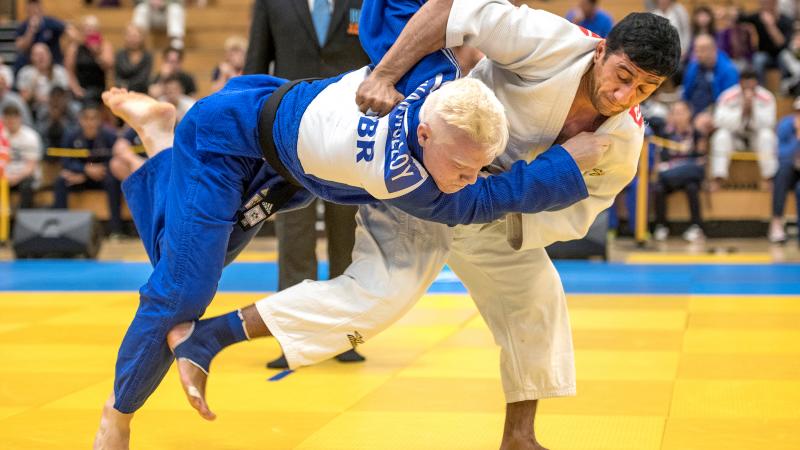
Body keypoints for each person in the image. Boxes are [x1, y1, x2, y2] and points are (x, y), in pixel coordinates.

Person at [151, 2, 680, 450]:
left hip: (501, 212)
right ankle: (211, 336)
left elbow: (581, 206)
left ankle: (519, 437)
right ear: (603, 52)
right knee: (379, 300)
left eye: (645, 89)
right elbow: (449, 10)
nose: (625, 95)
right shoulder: (555, 43)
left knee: (537, 298)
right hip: (424, 168)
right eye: (623, 76)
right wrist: (383, 75)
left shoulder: (623, 144)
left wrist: (513, 213)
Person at [243, 0, 374, 367]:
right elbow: (255, 64)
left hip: (350, 129)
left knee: (346, 235)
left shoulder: (362, 3)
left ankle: (341, 336)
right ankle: (293, 338)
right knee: (293, 236)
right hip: (287, 130)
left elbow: (378, 58)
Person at [52, 102, 123, 236]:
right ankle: (60, 228)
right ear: (80, 120)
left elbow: (117, 159)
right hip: (79, 177)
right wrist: (85, 170)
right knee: (61, 181)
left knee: (113, 181)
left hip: (102, 177)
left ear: (99, 120)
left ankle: (115, 229)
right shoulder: (70, 136)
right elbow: (66, 161)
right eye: (86, 118)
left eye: (93, 118)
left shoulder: (109, 135)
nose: (90, 122)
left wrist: (97, 170)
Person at [710, 69, 778, 190]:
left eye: (752, 85)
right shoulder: (727, 96)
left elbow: (769, 122)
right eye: (746, 85)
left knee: (767, 135)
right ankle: (718, 178)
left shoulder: (767, 97)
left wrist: (752, 110)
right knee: (721, 136)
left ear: (756, 83)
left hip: (755, 137)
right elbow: (719, 121)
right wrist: (742, 112)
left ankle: (769, 179)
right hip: (735, 137)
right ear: (740, 82)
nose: (749, 88)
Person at [651, 101, 707, 242]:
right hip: (670, 177)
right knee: (659, 187)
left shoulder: (696, 134)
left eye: (682, 112)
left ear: (689, 114)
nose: (678, 116)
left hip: (687, 177)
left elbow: (700, 160)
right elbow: (660, 160)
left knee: (692, 187)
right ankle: (661, 225)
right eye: (675, 112)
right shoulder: (665, 134)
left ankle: (696, 226)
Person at [682, 33, 740, 117]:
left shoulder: (729, 71)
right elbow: (685, 94)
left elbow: (728, 103)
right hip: (692, 110)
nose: (698, 54)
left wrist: (709, 114)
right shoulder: (693, 67)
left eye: (702, 50)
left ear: (713, 49)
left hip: (715, 113)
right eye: (696, 50)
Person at [739, 0, 793, 84]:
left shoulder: (786, 20)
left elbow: (782, 44)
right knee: (758, 59)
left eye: (768, 2)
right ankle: (759, 87)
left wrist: (770, 26)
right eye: (763, 2)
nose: (765, 4)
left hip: (780, 54)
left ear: (775, 3)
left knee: (785, 57)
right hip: (764, 53)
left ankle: (785, 87)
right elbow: (740, 20)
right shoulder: (757, 17)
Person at [769, 96, 800, 243]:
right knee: (782, 172)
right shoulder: (786, 124)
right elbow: (782, 153)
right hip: (790, 169)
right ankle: (776, 222)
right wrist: (798, 137)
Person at [65, 15, 114, 102]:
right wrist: (76, 89)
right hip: (79, 89)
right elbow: (69, 71)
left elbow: (109, 67)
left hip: (100, 90)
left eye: (92, 29)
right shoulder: (74, 47)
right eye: (86, 28)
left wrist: (96, 54)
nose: (89, 32)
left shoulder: (105, 46)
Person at [2, 104, 42, 208]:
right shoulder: (2, 136)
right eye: (7, 118)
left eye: (13, 118)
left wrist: (15, 178)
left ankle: (22, 217)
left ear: (19, 118)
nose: (10, 122)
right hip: (4, 176)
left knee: (26, 185)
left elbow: (31, 166)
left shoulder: (30, 136)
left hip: (24, 176)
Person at [14, 0, 67, 73]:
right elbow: (21, 47)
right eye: (31, 10)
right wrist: (30, 31)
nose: (34, 12)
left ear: (41, 9)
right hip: (30, 65)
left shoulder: (52, 22)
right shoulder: (23, 26)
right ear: (27, 11)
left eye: (36, 9)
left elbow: (70, 31)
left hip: (53, 64)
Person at [16, 43, 70, 114]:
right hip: (33, 107)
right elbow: (23, 99)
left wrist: (49, 100)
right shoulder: (25, 72)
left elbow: (65, 94)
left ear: (50, 55)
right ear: (31, 57)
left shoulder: (59, 71)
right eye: (37, 55)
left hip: (57, 106)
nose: (41, 58)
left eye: (43, 54)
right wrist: (33, 83)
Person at [115, 24, 153, 94]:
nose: (132, 39)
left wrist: (127, 85)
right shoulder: (120, 54)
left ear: (142, 38)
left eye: (135, 36)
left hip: (141, 93)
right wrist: (123, 87)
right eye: (130, 36)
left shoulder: (147, 56)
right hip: (122, 92)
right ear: (125, 37)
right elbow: (117, 77)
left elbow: (143, 78)